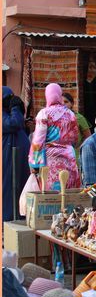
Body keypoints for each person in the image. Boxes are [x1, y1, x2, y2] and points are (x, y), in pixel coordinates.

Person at [29, 83, 81, 191]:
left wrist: (35, 164)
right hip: (69, 156)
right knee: (68, 191)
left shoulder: (44, 113)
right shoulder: (70, 114)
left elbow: (38, 140)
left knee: (52, 194)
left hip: (50, 159)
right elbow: (75, 138)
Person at [3, 87, 31, 221]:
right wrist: (15, 108)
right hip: (8, 157)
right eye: (8, 99)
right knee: (9, 188)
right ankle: (7, 221)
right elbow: (14, 124)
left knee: (21, 186)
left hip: (19, 157)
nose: (10, 102)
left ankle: (20, 217)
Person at [62, 92, 91, 168]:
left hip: (75, 155)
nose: (63, 104)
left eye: (66, 102)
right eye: (61, 102)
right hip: (60, 155)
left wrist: (79, 148)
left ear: (72, 104)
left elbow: (88, 136)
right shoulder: (55, 119)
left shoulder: (78, 117)